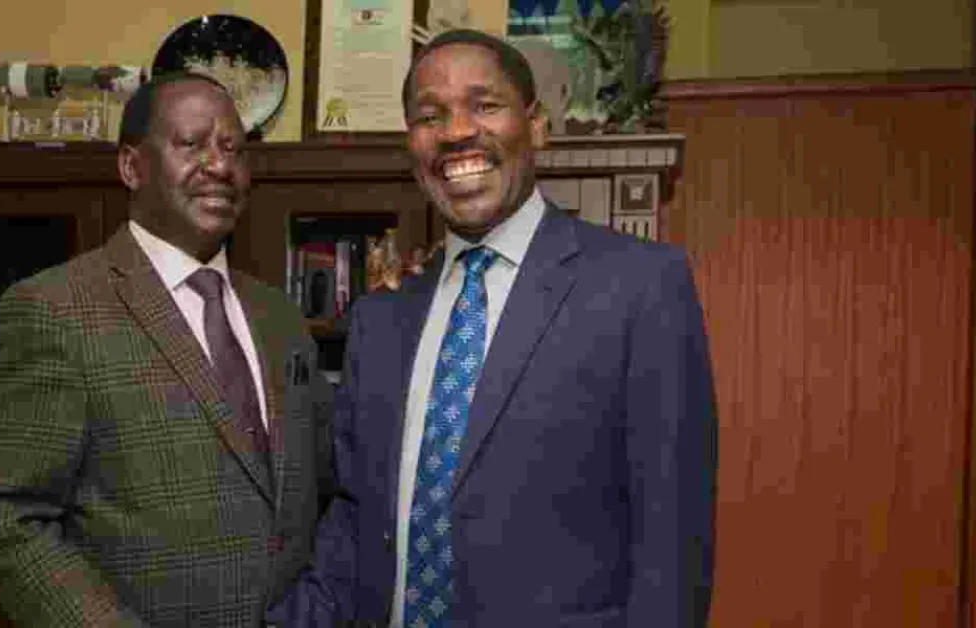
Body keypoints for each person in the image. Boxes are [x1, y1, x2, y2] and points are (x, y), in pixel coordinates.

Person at [286, 29, 718, 627]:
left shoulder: (640, 286)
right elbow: (356, 520)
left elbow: (672, 544)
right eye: (429, 116)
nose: (456, 132)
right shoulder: (380, 320)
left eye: (485, 105)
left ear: (536, 126)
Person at [0, 72, 334, 627]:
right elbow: (4, 518)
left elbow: (322, 489)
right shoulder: (56, 309)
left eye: (233, 148)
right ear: (132, 167)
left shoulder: (278, 316)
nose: (219, 165)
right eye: (192, 144)